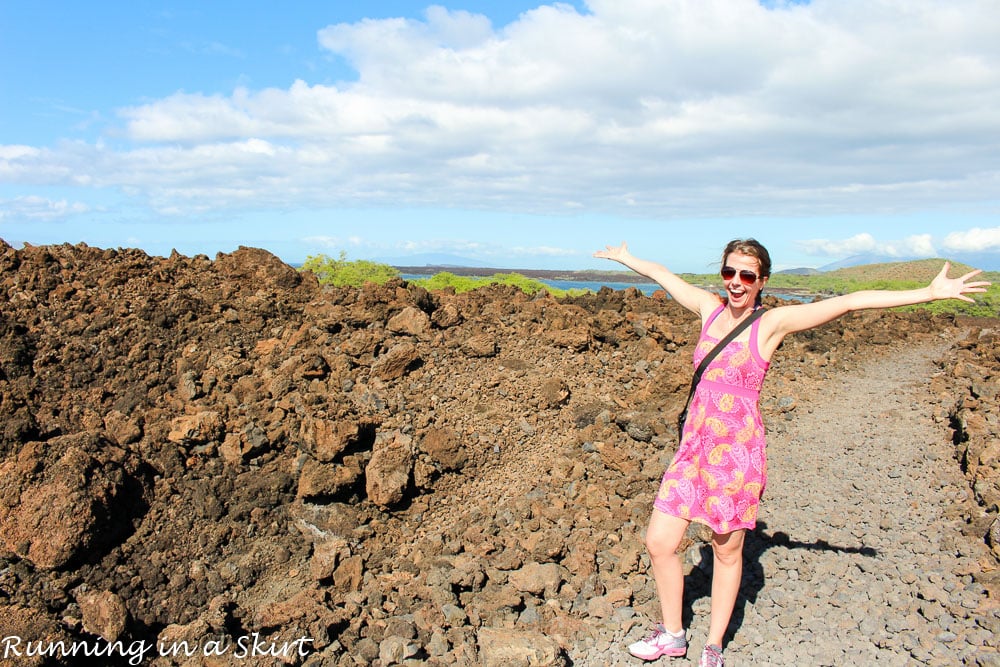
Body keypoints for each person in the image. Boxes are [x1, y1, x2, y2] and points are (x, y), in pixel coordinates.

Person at [593, 239, 990, 667]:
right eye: (730, 272)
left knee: (725, 550)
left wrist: (928, 294)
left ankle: (712, 647)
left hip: (736, 453)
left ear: (762, 281)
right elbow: (664, 275)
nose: (737, 283)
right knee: (659, 542)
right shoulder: (709, 310)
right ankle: (672, 634)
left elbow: (850, 302)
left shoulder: (771, 324)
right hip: (693, 448)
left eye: (747, 275)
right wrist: (629, 259)